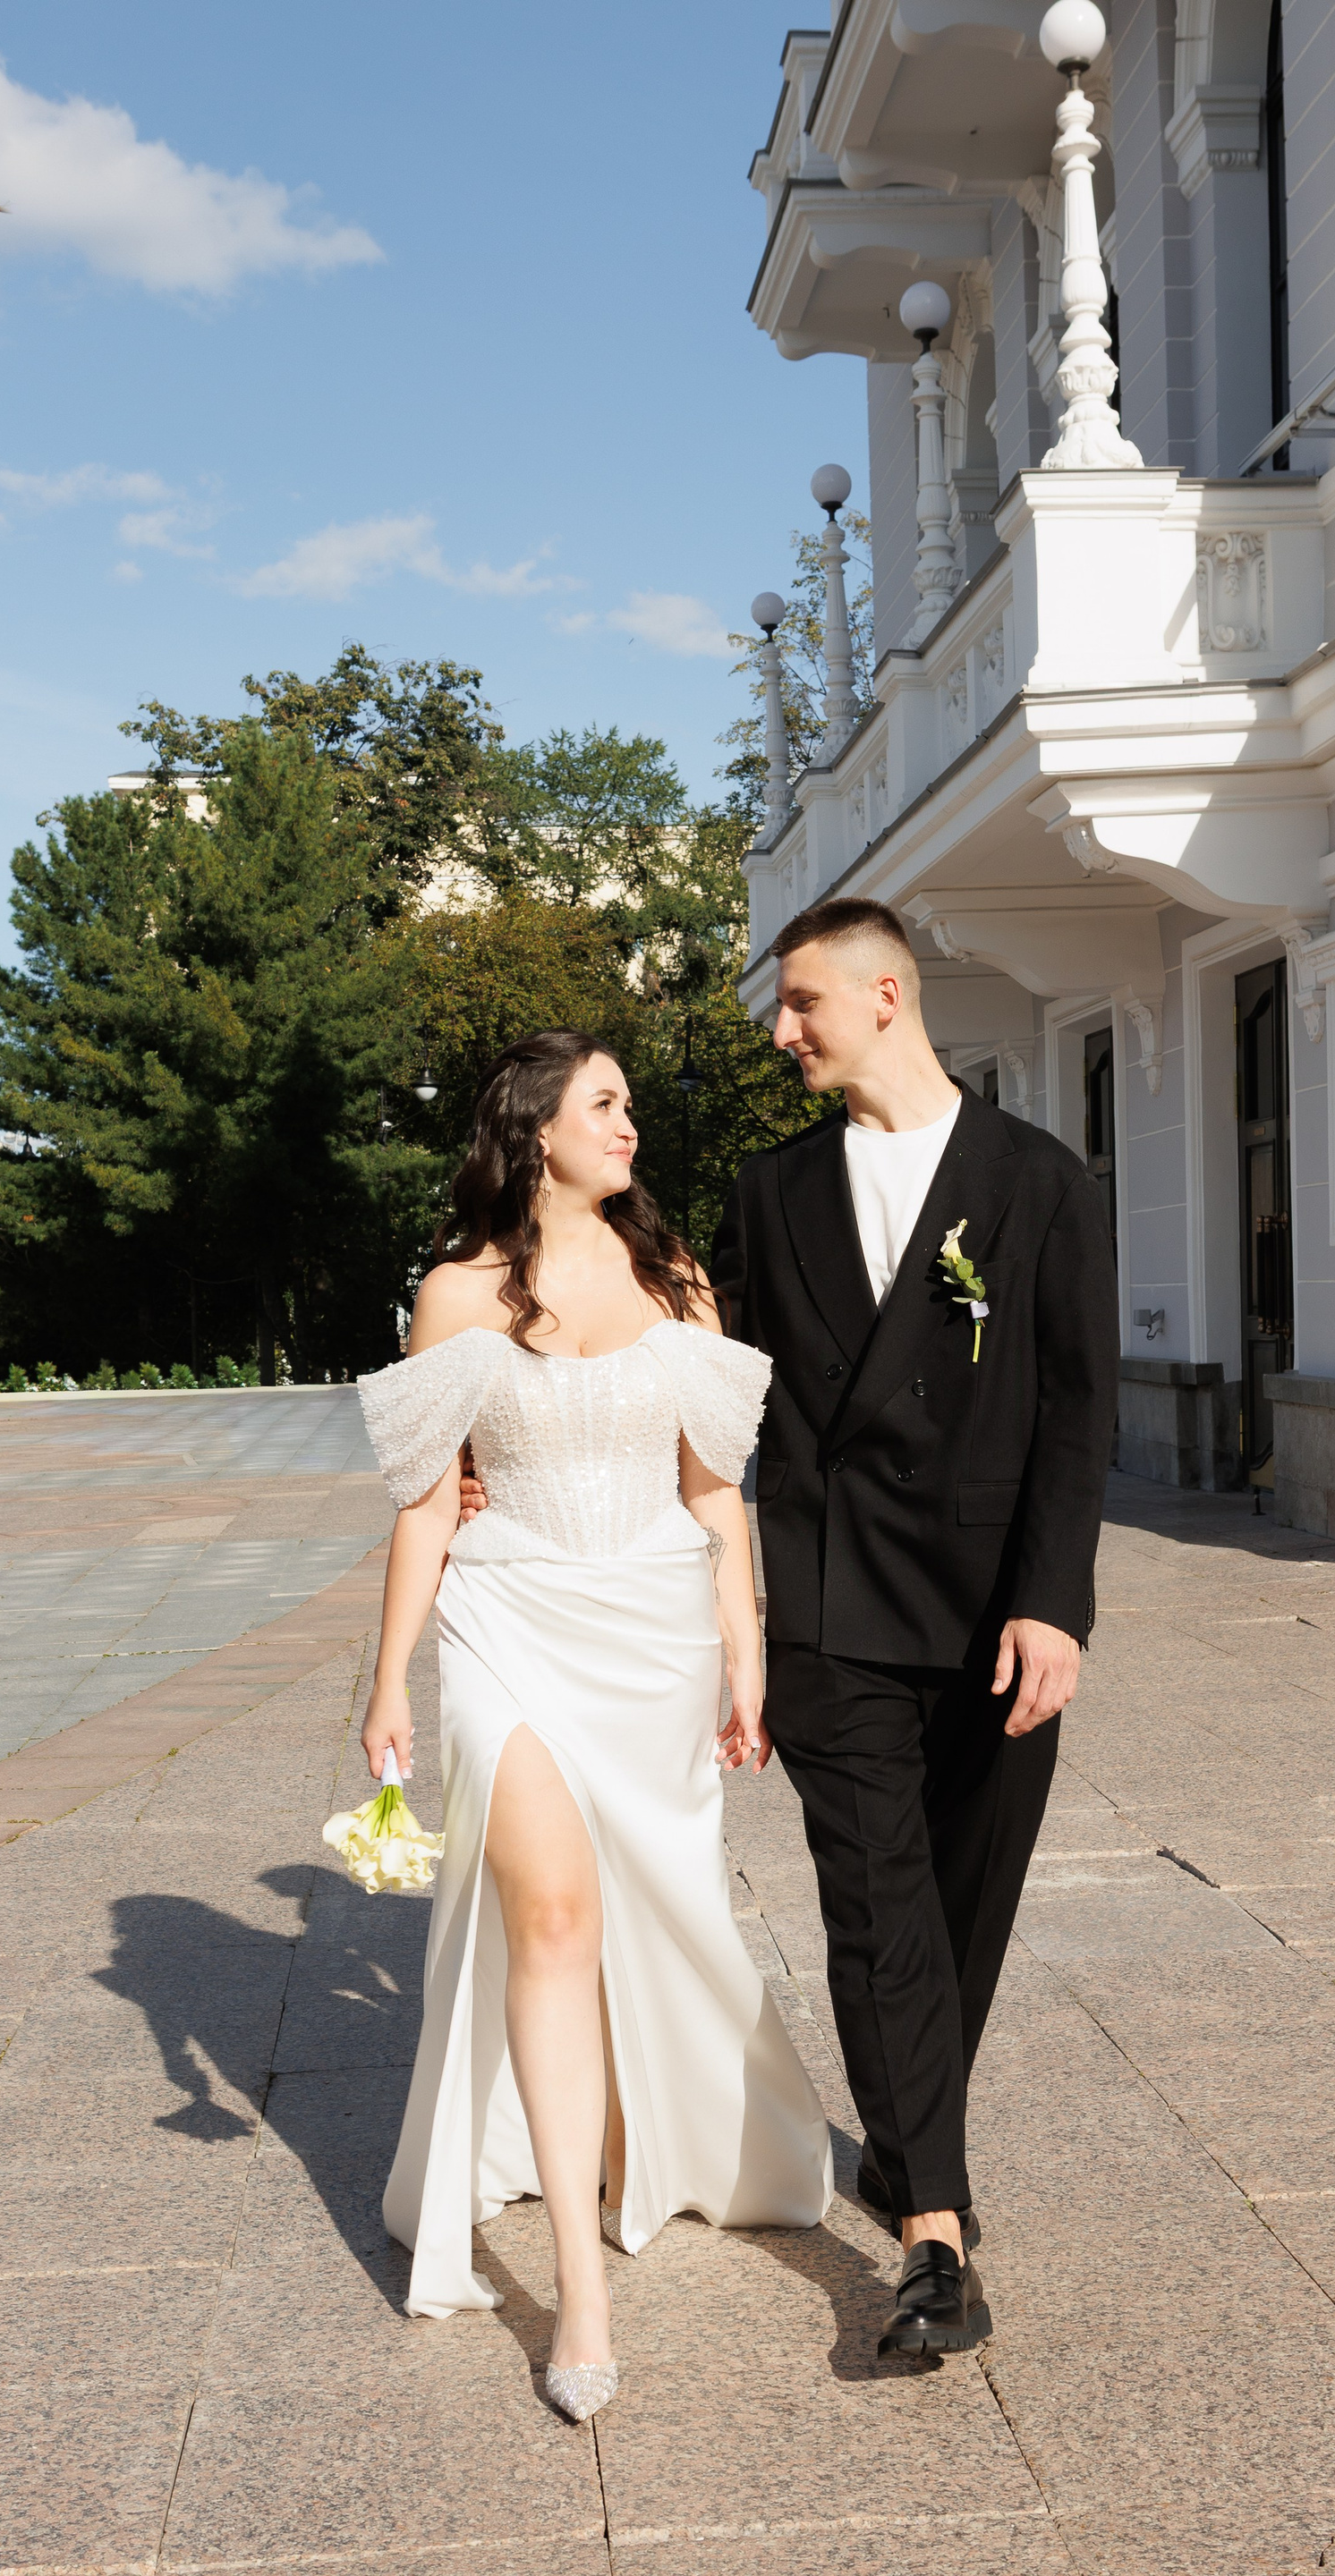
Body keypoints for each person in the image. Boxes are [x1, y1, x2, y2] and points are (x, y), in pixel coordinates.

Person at [356, 1030, 831, 2427]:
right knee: (554, 1917)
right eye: (604, 1103)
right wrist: (388, 1681)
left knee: (655, 1908)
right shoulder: (456, 1295)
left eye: (627, 1105)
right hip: (505, 1624)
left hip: (654, 1634)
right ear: (536, 1129)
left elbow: (714, 1490)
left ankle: (653, 2132)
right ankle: (579, 2286)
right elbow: (428, 1503)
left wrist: (747, 1652)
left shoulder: (674, 1280)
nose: (629, 1125)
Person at [711, 897, 1119, 2360]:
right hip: (831, 1607)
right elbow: (706, 1384)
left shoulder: (1040, 1180)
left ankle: (902, 2144)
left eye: (802, 1002)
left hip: (993, 1611)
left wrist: (1054, 1602)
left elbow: (1078, 1409)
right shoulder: (769, 1192)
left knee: (957, 1913)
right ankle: (933, 2237)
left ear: (885, 994)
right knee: (878, 1912)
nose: (783, 1031)